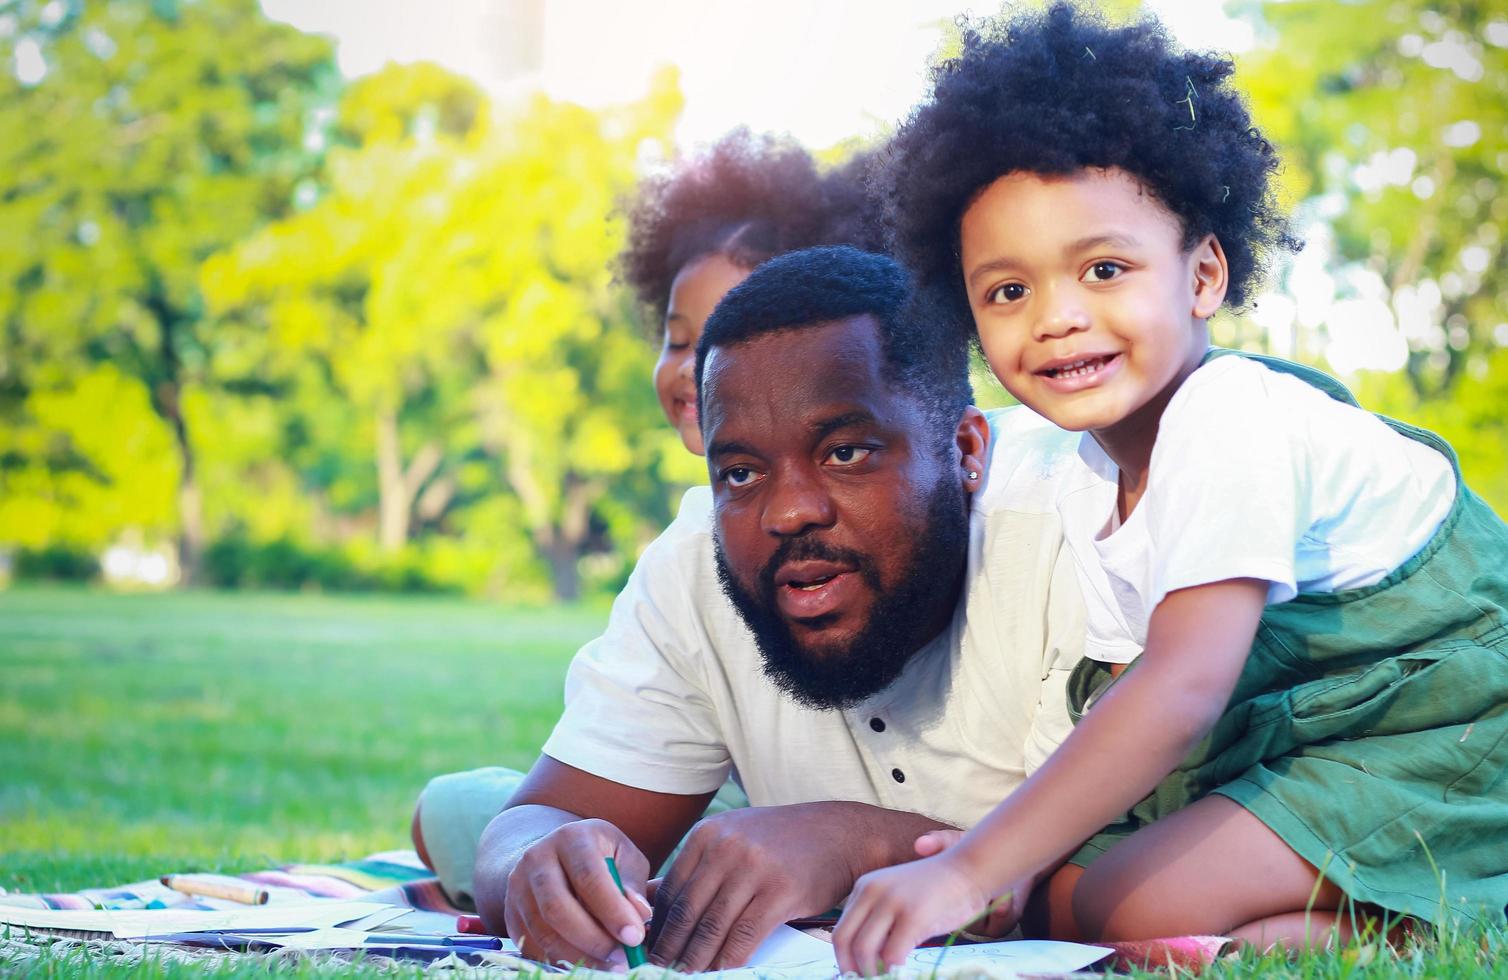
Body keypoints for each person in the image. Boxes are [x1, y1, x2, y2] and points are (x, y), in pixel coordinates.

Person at [831, 5, 1508, 973]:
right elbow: (1118, 704)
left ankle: (1453, 898)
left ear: (1200, 275)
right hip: (1302, 747)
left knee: (1112, 896)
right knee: (1080, 889)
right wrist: (1018, 856)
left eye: (1102, 269)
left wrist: (974, 866)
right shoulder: (1087, 476)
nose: (1057, 318)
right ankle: (1296, 933)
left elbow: (1181, 687)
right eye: (1006, 291)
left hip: (1446, 732)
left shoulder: (1231, 415)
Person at [470, 246, 1093, 971]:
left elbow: (1118, 874)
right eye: (741, 472)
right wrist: (539, 866)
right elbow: (533, 822)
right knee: (479, 826)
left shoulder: (1081, 528)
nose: (790, 511)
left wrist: (851, 843)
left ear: (964, 449)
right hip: (735, 827)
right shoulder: (695, 566)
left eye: (846, 453)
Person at [409, 130, 882, 900]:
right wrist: (546, 863)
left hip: (773, 815)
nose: (700, 367)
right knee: (472, 816)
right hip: (695, 794)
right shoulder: (694, 551)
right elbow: (554, 818)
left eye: (740, 329)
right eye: (680, 337)